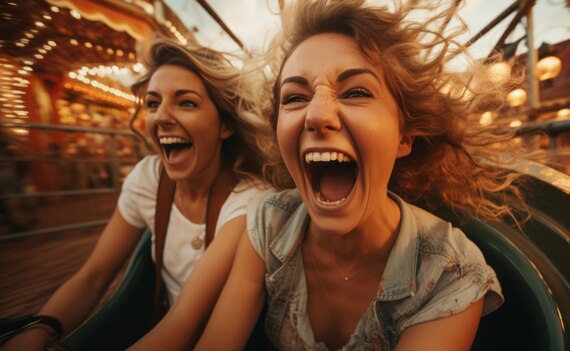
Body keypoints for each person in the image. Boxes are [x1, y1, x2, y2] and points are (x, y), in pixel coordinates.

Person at [191, 0, 531, 350]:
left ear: (404, 136)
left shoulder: (448, 273)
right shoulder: (269, 224)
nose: (316, 115)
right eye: (294, 98)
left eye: (356, 92)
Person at [1, 37, 286, 350]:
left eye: (186, 102)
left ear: (225, 126)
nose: (161, 117)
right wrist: (43, 327)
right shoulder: (148, 179)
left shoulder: (252, 201)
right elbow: (93, 276)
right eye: (153, 103)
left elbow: (184, 323)